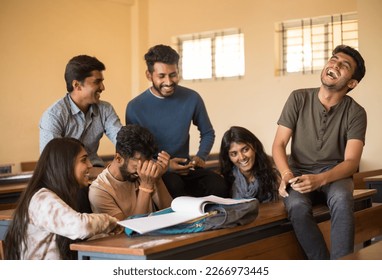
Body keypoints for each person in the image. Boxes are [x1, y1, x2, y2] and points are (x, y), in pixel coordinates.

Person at [272, 45, 366, 260]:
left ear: (351, 83)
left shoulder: (356, 113)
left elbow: (351, 162)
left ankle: (342, 267)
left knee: (342, 199)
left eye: (344, 65)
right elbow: (279, 144)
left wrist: (321, 179)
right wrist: (286, 174)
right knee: (295, 205)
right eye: (334, 59)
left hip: (335, 174)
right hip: (298, 172)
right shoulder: (298, 98)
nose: (335, 64)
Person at [125, 44, 229, 198]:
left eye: (173, 75)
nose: (168, 81)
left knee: (219, 185)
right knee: (174, 185)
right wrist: (165, 167)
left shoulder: (192, 98)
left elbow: (207, 132)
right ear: (149, 75)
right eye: (161, 76)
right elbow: (134, 154)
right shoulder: (135, 107)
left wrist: (201, 156)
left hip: (186, 169)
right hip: (158, 172)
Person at [4, 138, 118, 260]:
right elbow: (81, 227)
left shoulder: (62, 196)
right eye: (84, 160)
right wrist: (112, 221)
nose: (90, 165)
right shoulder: (41, 199)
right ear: (64, 164)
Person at [39, 54, 122, 171]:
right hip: (66, 177)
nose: (103, 87)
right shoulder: (53, 116)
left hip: (95, 173)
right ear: (77, 85)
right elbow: (52, 162)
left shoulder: (105, 109)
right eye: (97, 82)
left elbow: (122, 141)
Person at [89, 124, 173, 220]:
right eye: (138, 163)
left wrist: (158, 178)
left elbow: (170, 214)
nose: (143, 169)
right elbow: (128, 230)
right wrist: (145, 187)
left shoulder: (143, 173)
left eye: (147, 161)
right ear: (118, 158)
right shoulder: (99, 191)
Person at [219, 126, 279, 202]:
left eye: (245, 149)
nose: (241, 157)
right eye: (234, 154)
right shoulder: (225, 180)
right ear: (228, 157)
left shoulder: (274, 174)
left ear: (255, 147)